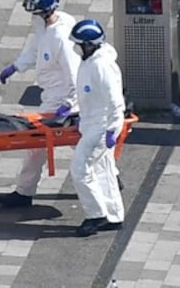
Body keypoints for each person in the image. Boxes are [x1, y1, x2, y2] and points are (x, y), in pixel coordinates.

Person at [0, 0, 80, 208]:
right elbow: (35, 47)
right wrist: (16, 66)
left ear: (44, 11)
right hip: (52, 95)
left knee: (38, 144)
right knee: (77, 142)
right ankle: (111, 174)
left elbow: (75, 74)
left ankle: (24, 193)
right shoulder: (43, 24)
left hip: (61, 97)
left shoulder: (61, 37)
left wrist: (69, 104)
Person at [68, 19, 126, 237]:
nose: (75, 47)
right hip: (92, 124)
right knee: (104, 171)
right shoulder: (90, 60)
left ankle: (96, 215)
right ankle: (113, 215)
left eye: (79, 43)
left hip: (100, 128)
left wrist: (113, 129)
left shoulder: (102, 66)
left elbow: (115, 101)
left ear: (89, 45)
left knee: (80, 170)